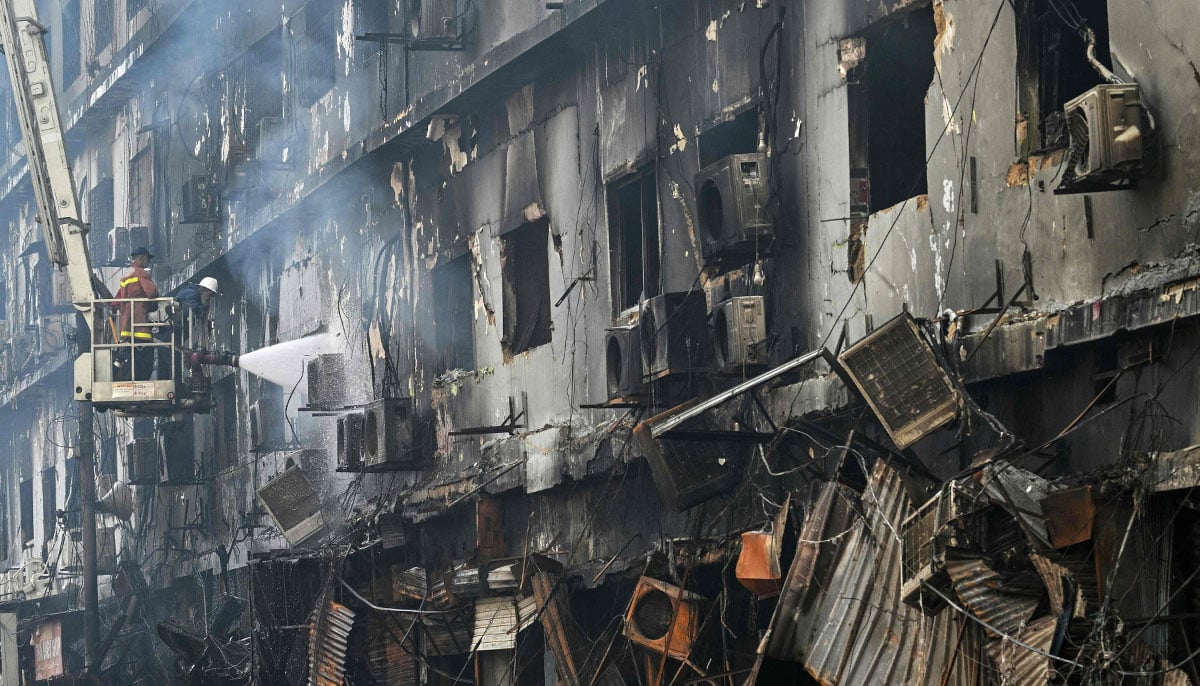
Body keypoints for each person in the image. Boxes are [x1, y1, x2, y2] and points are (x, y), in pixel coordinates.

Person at [113, 247, 160, 380]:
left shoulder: (125, 276)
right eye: (147, 259)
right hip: (140, 326)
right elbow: (151, 293)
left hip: (126, 327)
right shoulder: (141, 273)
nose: (148, 262)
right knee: (145, 360)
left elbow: (116, 301)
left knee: (130, 357)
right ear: (140, 258)